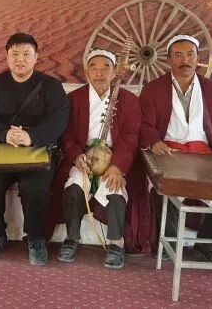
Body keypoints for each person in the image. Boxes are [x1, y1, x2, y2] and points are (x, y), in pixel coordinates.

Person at [139, 34, 212, 263]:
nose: (185, 60)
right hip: (168, 152)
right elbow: (143, 124)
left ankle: (208, 246)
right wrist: (154, 142)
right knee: (162, 186)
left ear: (198, 58)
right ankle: (168, 244)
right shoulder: (153, 89)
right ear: (169, 60)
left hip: (203, 155)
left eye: (190, 54)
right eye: (178, 55)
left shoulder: (211, 89)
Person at [0, 33, 69, 266]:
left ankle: (36, 238)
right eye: (14, 54)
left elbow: (59, 119)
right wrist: (4, 134)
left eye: (26, 54)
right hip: (2, 150)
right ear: (6, 57)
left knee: (35, 189)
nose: (20, 59)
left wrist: (32, 136)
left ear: (36, 57)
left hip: (38, 150)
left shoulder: (51, 86)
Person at [57, 49, 141, 269]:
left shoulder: (129, 100)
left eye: (106, 68)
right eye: (94, 67)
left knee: (115, 190)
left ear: (114, 72)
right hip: (84, 157)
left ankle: (116, 243)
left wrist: (118, 166)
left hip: (113, 158)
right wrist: (76, 156)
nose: (99, 73)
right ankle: (72, 238)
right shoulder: (74, 99)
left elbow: (130, 136)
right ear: (86, 72)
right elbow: (67, 135)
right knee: (74, 188)